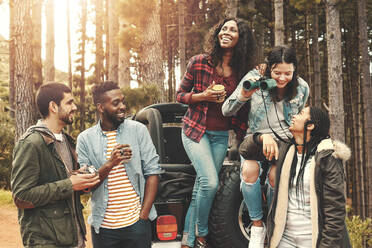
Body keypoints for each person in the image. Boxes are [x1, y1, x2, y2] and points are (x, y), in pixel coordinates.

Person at [176, 17, 257, 248]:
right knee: (210, 182)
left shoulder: (242, 72)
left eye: (233, 30)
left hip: (220, 136)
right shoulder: (199, 62)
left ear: (241, 39)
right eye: (224, 28)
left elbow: (242, 110)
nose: (227, 32)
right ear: (217, 33)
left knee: (200, 188)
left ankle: (187, 241)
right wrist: (203, 96)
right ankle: (201, 235)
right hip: (194, 131)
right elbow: (180, 95)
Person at [222, 45, 309, 248]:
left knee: (275, 176)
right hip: (256, 138)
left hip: (285, 142)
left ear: (295, 70)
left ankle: (273, 223)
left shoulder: (302, 87)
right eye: (277, 72)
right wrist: (245, 93)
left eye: (288, 73)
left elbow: (301, 116)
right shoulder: (255, 78)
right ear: (269, 68)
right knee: (249, 170)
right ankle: (258, 225)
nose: (281, 78)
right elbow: (227, 110)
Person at [239, 106, 351, 248]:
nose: (294, 116)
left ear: (310, 126)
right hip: (284, 239)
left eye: (300, 114)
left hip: (313, 240)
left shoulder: (328, 159)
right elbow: (245, 151)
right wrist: (261, 137)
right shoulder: (284, 151)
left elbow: (335, 214)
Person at [11, 82, 100, 248]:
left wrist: (80, 180)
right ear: (53, 106)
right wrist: (69, 184)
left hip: (74, 239)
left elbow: (62, 182)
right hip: (46, 242)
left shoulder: (66, 140)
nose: (74, 107)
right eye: (69, 102)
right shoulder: (31, 143)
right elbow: (21, 197)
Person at [76, 81, 162, 248]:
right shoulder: (85, 139)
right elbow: (86, 186)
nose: (122, 106)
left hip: (137, 224)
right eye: (116, 103)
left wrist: (143, 216)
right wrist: (110, 163)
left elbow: (153, 172)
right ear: (101, 107)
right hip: (104, 228)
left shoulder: (138, 131)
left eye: (123, 101)